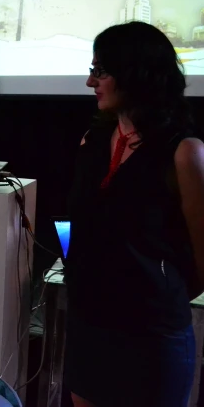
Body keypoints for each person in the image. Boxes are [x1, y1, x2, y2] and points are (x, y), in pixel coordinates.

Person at [66, 21, 204, 407]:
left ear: (136, 74)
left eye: (100, 71)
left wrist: (152, 293)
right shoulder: (91, 142)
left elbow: (201, 261)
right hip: (89, 326)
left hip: (151, 339)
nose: (90, 82)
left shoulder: (184, 152)